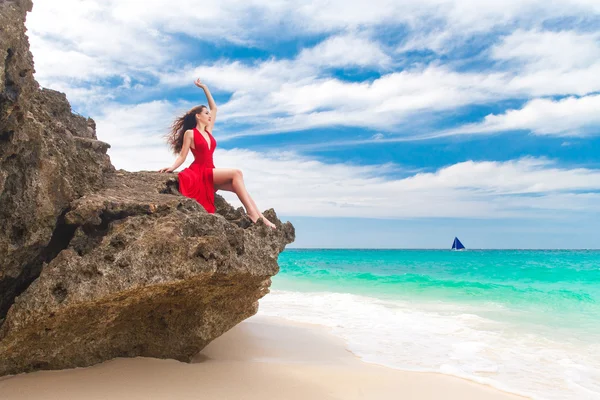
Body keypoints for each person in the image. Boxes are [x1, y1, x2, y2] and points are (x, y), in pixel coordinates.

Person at [159, 78, 276, 229]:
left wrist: (205, 88)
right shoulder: (190, 133)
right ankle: (251, 213)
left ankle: (261, 217)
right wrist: (172, 168)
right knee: (237, 173)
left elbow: (214, 109)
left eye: (209, 114)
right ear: (198, 116)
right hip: (200, 172)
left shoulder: (208, 131)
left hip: (211, 171)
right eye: (206, 113)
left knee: (238, 186)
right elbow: (183, 156)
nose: (209, 115)